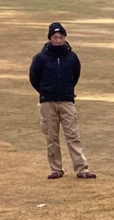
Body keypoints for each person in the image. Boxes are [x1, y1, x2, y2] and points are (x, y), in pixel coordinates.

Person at [29, 22, 96, 179]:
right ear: (50, 38)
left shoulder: (72, 57)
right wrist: (45, 91)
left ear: (65, 38)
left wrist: (67, 90)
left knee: (73, 135)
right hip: (48, 102)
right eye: (55, 37)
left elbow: (75, 75)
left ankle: (82, 169)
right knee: (51, 137)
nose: (58, 40)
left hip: (67, 101)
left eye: (61, 37)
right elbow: (34, 78)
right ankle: (56, 169)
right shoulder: (40, 58)